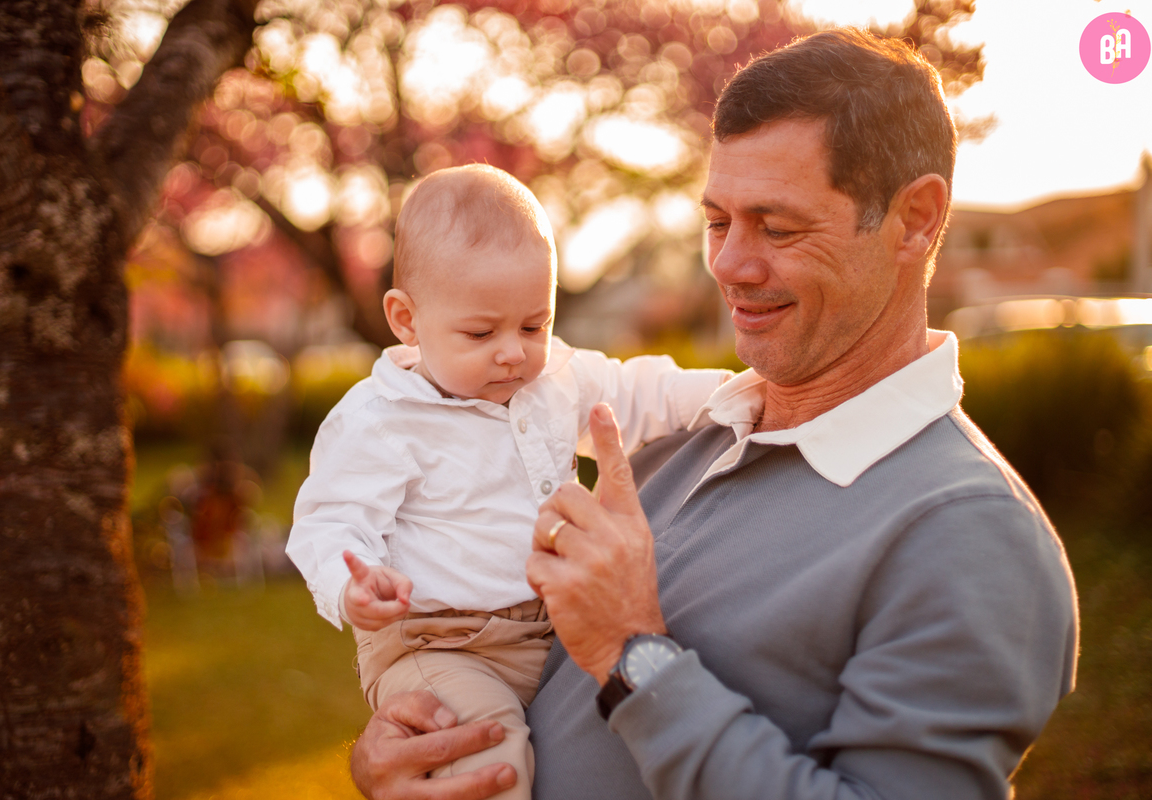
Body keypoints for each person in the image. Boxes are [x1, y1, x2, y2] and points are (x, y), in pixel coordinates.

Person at [348, 28, 1080, 800]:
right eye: (718, 221)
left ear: (916, 220)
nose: (730, 264)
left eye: (779, 226)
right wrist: (397, 757)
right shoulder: (680, 441)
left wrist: (634, 653)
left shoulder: (969, 532)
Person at [285, 164, 730, 800]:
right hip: (441, 644)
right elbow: (330, 522)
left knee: (629, 730)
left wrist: (736, 393)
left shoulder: (553, 383)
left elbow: (640, 392)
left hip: (547, 628)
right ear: (406, 320)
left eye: (533, 325)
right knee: (490, 761)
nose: (513, 353)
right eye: (480, 332)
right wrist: (350, 585)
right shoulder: (381, 418)